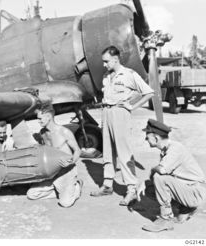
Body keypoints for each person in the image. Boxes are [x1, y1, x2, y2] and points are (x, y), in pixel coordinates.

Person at [90, 45, 154, 206]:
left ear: (115, 59)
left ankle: (131, 189)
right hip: (107, 112)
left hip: (120, 113)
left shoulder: (129, 74)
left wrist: (133, 106)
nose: (104, 65)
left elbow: (148, 92)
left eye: (106, 61)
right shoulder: (107, 76)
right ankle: (107, 185)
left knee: (124, 152)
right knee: (107, 151)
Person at [138, 119, 206, 232]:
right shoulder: (166, 150)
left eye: (147, 136)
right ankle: (185, 208)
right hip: (188, 189)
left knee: (159, 178)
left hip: (196, 192)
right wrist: (145, 182)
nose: (145, 139)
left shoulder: (175, 149)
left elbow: (162, 171)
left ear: (156, 138)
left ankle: (165, 219)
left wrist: (151, 170)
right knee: (149, 188)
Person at [26, 103, 83, 208]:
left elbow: (77, 151)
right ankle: (59, 190)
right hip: (52, 172)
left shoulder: (64, 132)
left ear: (48, 116)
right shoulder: (42, 132)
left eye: (40, 119)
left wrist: (71, 162)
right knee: (31, 194)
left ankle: (77, 186)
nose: (38, 121)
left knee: (65, 203)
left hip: (67, 171)